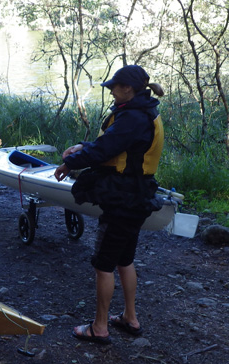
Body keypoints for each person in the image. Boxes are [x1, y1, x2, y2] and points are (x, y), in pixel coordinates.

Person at [54, 64, 165, 344]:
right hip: (138, 195)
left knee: (104, 264)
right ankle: (130, 317)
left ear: (127, 88)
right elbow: (113, 144)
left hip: (123, 198)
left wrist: (70, 162)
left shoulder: (133, 117)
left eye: (114, 87)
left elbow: (106, 149)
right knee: (124, 260)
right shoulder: (142, 111)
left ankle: (99, 327)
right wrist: (82, 146)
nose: (111, 91)